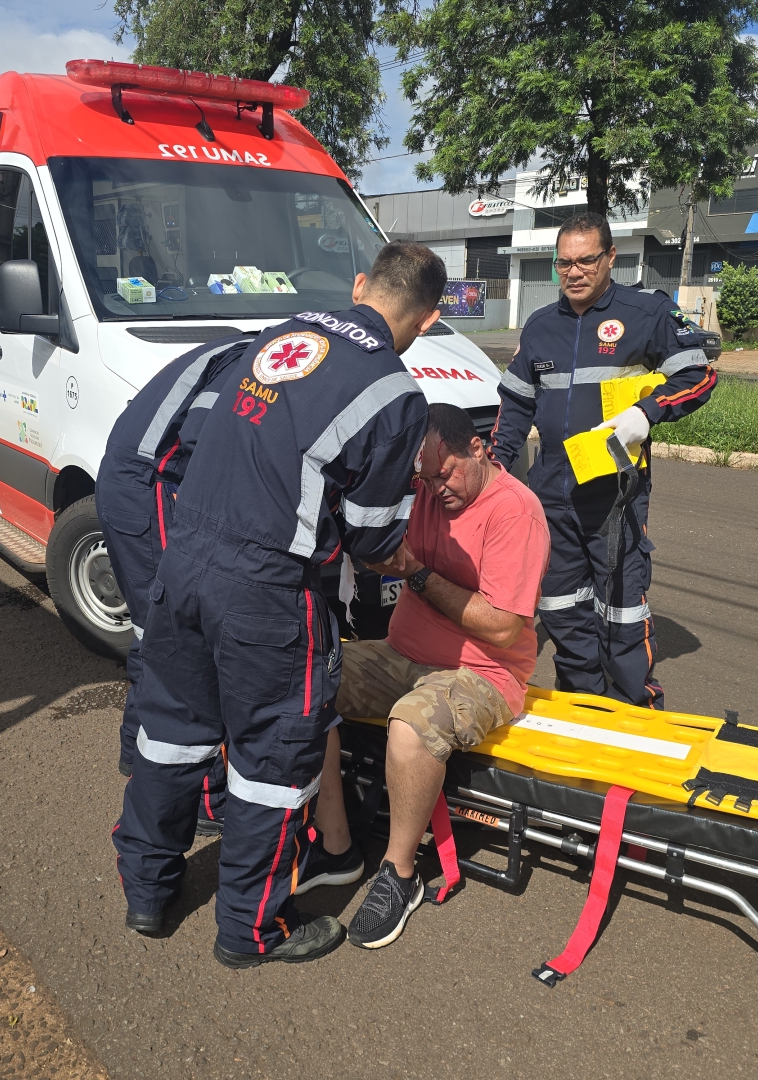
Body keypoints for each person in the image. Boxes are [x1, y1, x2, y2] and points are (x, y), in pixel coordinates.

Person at [112, 241, 446, 967]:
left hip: (186, 556)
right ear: (425, 319)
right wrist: (411, 560)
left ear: (361, 286)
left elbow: (211, 435)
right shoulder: (395, 395)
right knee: (273, 764)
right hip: (266, 592)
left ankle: (146, 889)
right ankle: (250, 930)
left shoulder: (282, 333)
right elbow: (368, 534)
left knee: (171, 735)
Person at [325, 403, 549, 948]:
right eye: (423, 477)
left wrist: (416, 574)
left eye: (443, 473)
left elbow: (500, 629)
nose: (434, 488)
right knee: (308, 675)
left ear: (479, 448)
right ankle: (331, 841)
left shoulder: (515, 511)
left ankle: (400, 875)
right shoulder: (428, 490)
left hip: (484, 674)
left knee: (411, 724)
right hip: (402, 654)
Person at [490, 212, 715, 709]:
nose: (574, 272)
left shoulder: (645, 313)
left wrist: (647, 413)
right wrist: (495, 471)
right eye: (563, 263)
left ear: (610, 257)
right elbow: (514, 408)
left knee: (620, 611)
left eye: (586, 260)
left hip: (616, 491)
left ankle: (631, 707)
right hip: (551, 490)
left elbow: (699, 376)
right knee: (559, 606)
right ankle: (582, 703)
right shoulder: (542, 326)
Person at [96, 332, 258, 828]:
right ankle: (206, 797)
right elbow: (204, 441)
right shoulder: (251, 366)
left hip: (132, 478)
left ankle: (136, 751)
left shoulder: (241, 347)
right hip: (151, 487)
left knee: (152, 633)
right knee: (183, 643)